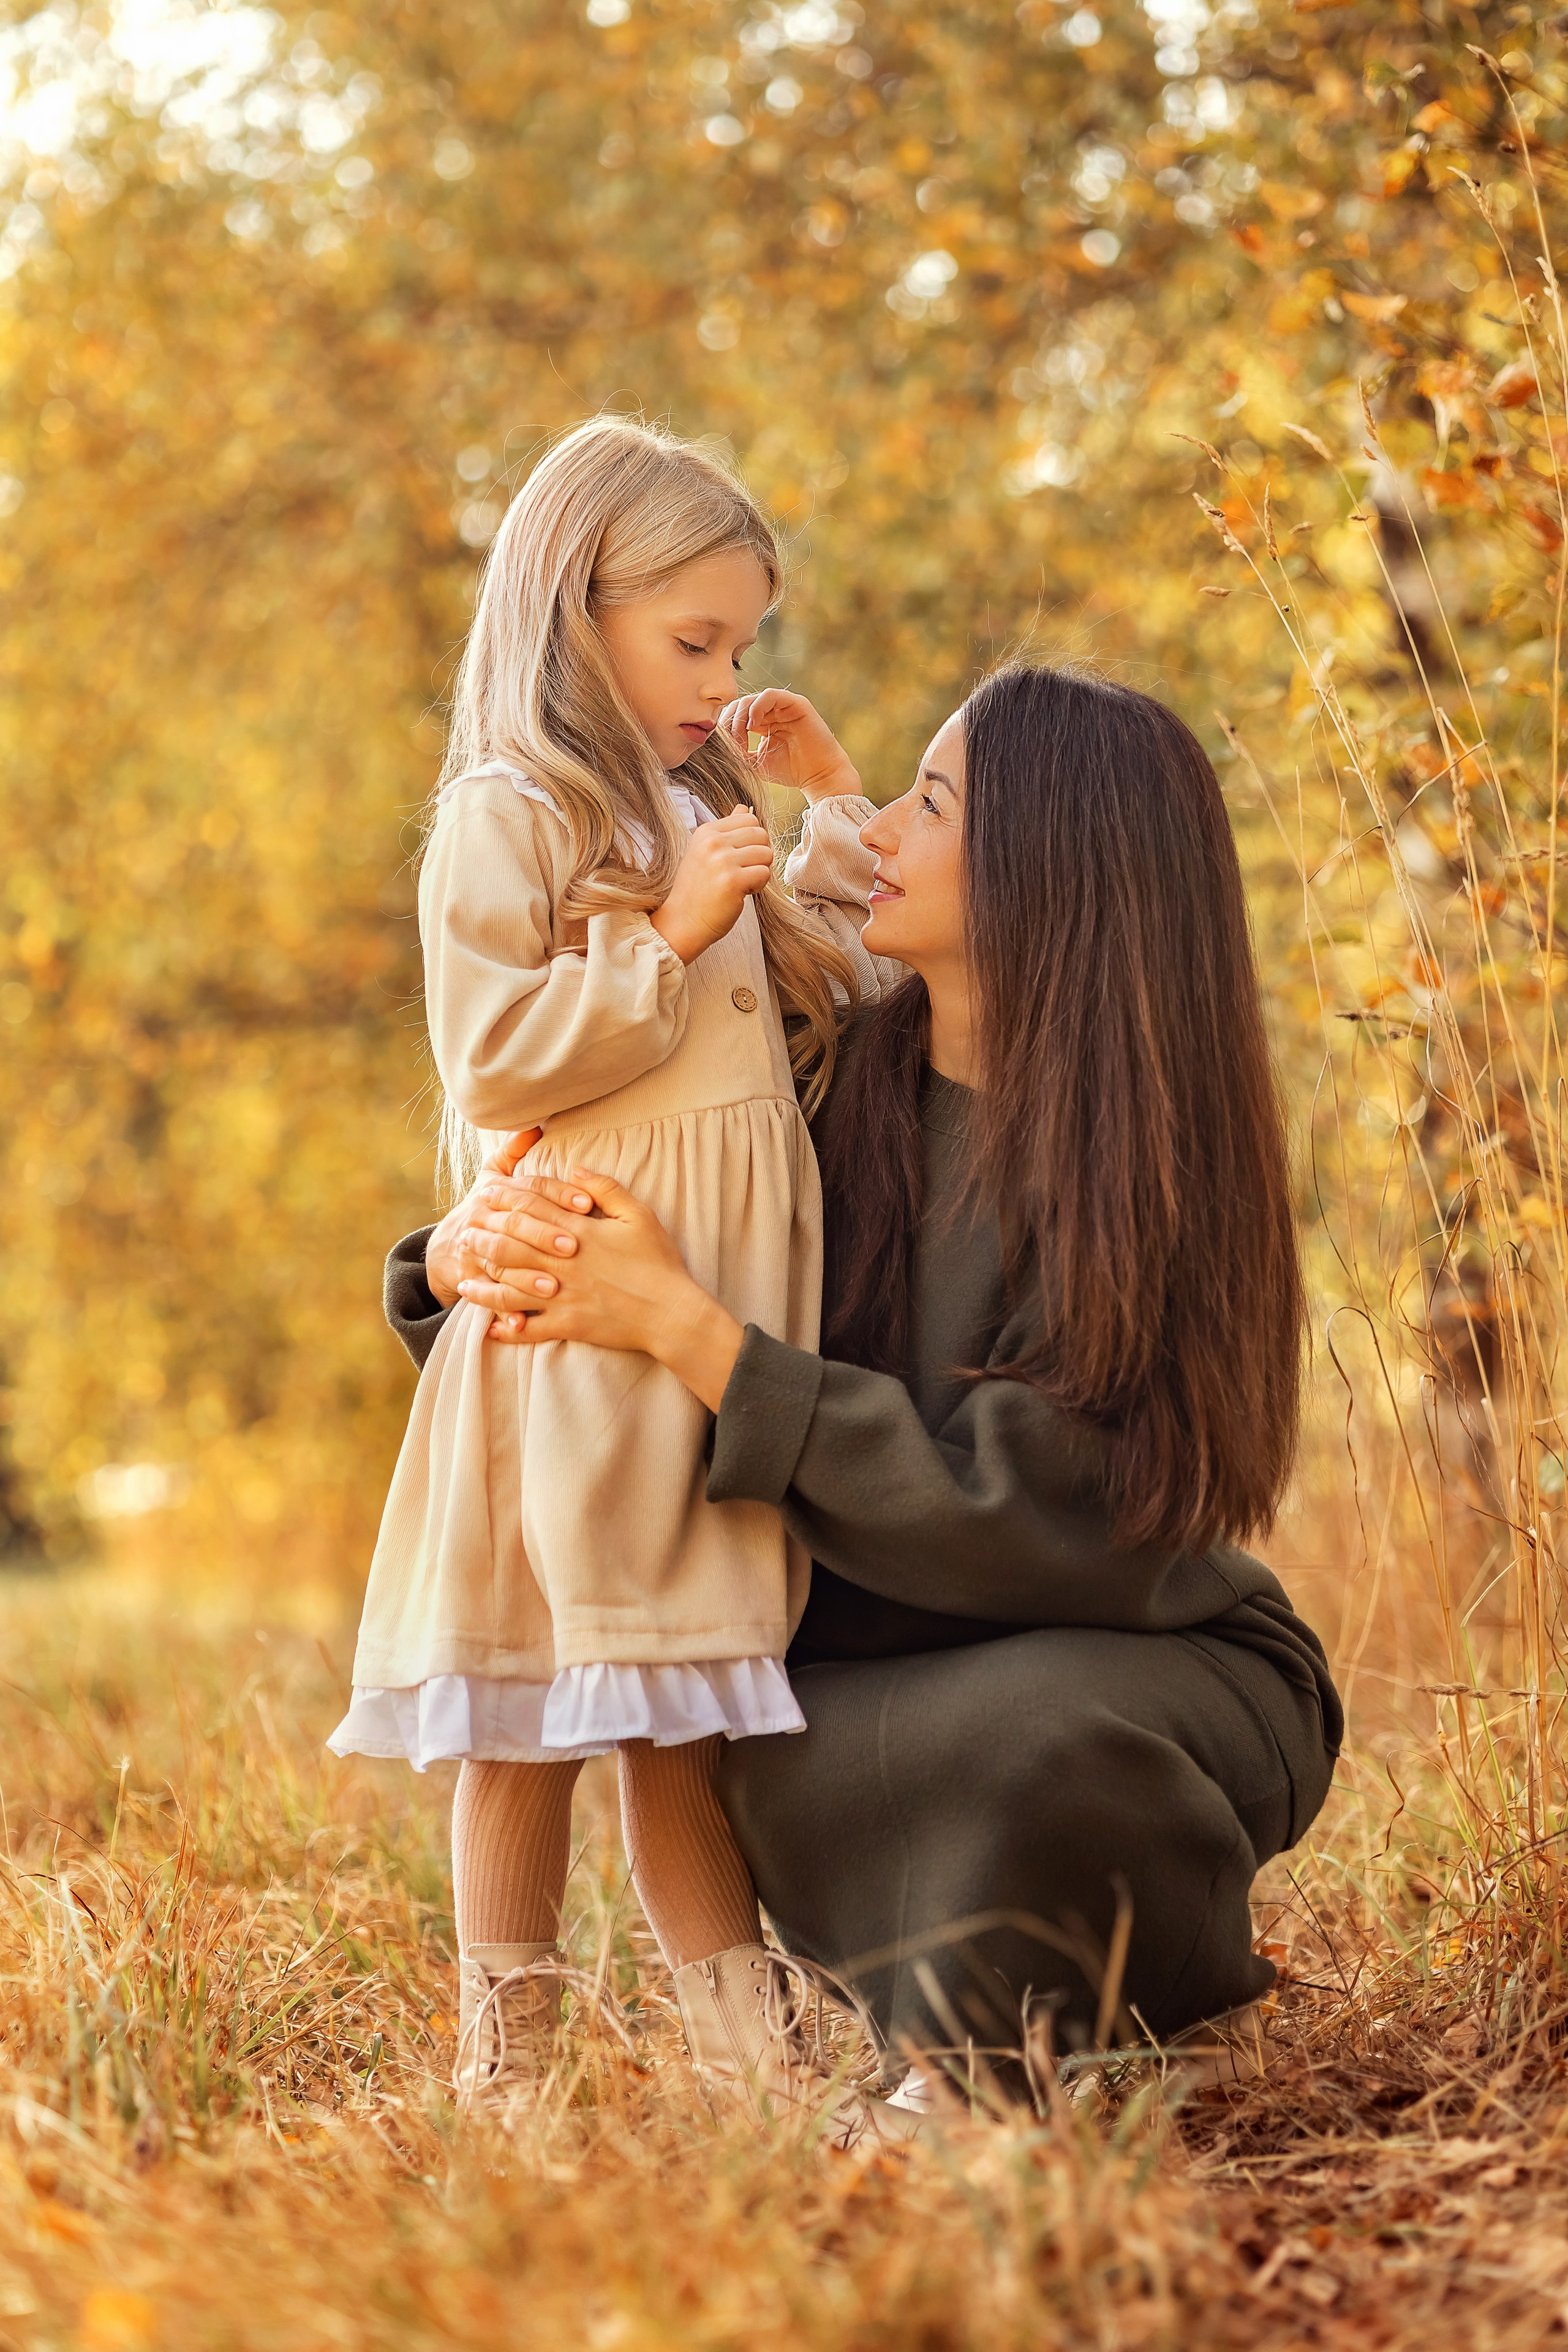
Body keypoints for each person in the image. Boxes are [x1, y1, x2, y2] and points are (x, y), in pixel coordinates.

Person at [387, 665, 1343, 2110]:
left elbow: (1044, 1508)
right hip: (877, 1663)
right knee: (755, 1751)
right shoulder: (830, 1085)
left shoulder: (1148, 1159)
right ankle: (972, 2043)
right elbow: (642, 1193)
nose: (876, 825)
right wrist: (459, 1259)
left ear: (1049, 867)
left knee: (1027, 1736)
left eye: (930, 800)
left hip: (1138, 1659)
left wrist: (697, 1338)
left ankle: (1105, 2031)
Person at [328, 417, 908, 2139]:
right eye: (695, 643)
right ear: (577, 607)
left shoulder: (698, 802)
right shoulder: (508, 818)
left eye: (743, 645)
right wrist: (660, 939)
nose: (722, 679)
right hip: (581, 1315)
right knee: (527, 1704)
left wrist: (824, 795)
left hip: (705, 1320)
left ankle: (752, 2048)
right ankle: (509, 2050)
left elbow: (845, 976)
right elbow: (499, 1059)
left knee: (678, 1701)